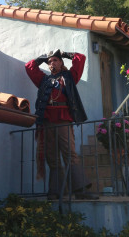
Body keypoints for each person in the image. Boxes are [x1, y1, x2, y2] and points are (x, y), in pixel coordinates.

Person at [25, 49, 99, 200]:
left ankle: (80, 190)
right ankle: (56, 190)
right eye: (50, 61)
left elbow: (81, 58)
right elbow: (29, 67)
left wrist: (65, 53)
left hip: (63, 119)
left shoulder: (70, 77)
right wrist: (41, 58)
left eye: (55, 60)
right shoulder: (43, 80)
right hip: (47, 121)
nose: (52, 63)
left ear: (61, 63)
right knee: (51, 156)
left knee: (69, 153)